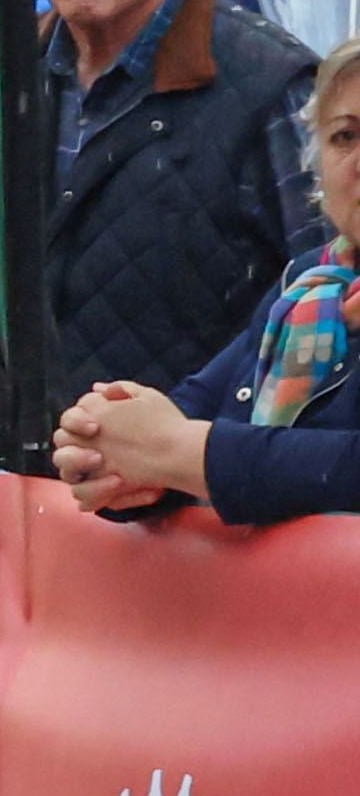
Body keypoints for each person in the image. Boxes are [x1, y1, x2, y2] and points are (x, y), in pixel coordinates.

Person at [22, 0, 323, 406]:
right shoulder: (3, 78)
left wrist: (210, 447)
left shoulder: (272, 84)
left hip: (192, 485)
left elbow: (327, 308)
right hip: (17, 475)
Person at [57, 40, 360, 523]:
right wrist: (109, 453)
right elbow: (194, 408)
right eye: (345, 137)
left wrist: (180, 454)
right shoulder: (307, 281)